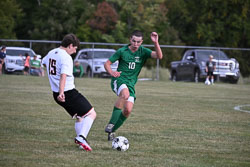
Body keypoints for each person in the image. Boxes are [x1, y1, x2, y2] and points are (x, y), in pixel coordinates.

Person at [104, 30, 163, 141]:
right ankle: (111, 123)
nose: (136, 44)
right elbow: (107, 63)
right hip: (119, 80)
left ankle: (112, 131)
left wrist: (156, 42)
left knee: (128, 110)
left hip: (131, 84)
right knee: (125, 94)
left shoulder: (143, 51)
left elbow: (159, 56)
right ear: (130, 39)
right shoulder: (122, 51)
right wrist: (112, 73)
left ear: (142, 42)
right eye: (134, 41)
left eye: (138, 42)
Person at [42, 34, 96, 151]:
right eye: (75, 48)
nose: (75, 51)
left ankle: (81, 143)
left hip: (55, 94)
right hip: (67, 92)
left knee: (80, 116)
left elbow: (44, 63)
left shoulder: (52, 52)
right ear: (70, 45)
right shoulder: (66, 57)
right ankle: (81, 137)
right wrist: (62, 92)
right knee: (91, 114)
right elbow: (63, 76)